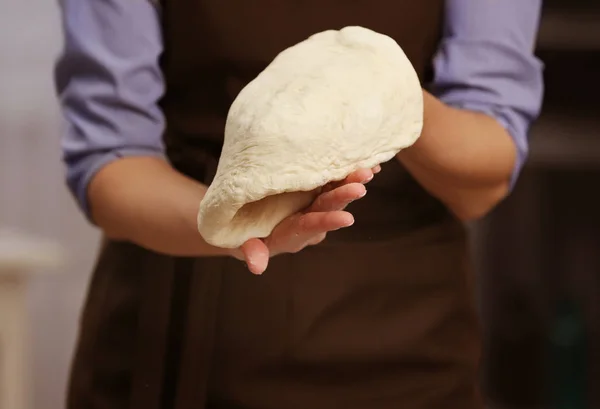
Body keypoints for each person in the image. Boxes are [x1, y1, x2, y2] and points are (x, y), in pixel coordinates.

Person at [55, 0, 543, 408]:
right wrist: (231, 221)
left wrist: (389, 91)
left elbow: (481, 184)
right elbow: (111, 164)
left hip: (407, 346)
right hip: (182, 340)